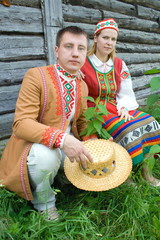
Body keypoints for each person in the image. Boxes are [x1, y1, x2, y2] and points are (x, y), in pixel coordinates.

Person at [0, 26, 97, 221]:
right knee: (46, 157)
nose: (75, 53)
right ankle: (45, 202)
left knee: (90, 156)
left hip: (66, 145)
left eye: (80, 48)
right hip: (33, 146)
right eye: (68, 46)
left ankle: (59, 177)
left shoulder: (82, 84)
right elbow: (21, 123)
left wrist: (95, 142)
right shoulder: (36, 75)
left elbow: (82, 122)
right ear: (56, 50)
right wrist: (62, 140)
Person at [81, 18, 160, 186]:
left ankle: (146, 172)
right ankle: (124, 175)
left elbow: (125, 90)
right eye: (105, 38)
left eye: (113, 39)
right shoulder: (83, 63)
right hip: (95, 112)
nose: (109, 43)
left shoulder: (118, 64)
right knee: (127, 130)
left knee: (151, 123)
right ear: (96, 38)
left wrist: (124, 107)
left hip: (116, 107)